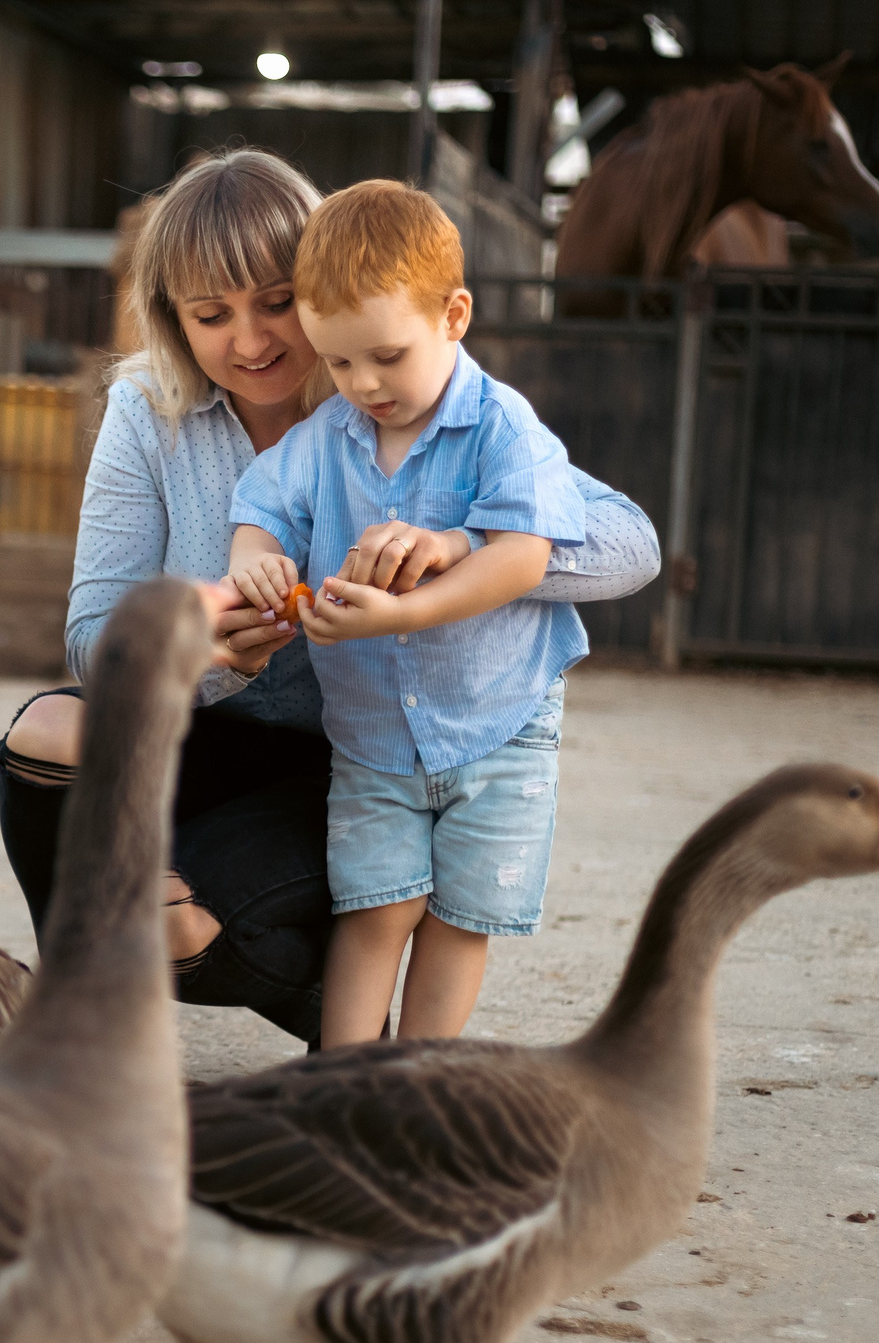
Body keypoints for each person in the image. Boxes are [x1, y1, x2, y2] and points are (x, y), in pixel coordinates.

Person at [0, 151, 659, 1045]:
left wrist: (456, 551)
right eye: (210, 314)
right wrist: (198, 644)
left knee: (175, 926)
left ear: (318, 286)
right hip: (205, 728)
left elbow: (630, 543)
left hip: (354, 751)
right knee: (48, 730)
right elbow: (90, 640)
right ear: (172, 319)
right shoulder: (144, 411)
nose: (252, 340)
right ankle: (75, 1018)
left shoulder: (399, 394)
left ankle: (354, 1045)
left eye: (274, 301)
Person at [229, 178, 581, 1048]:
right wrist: (259, 564)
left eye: (386, 355)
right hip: (373, 733)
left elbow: (524, 554)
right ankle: (342, 1084)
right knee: (376, 907)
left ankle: (417, 1084)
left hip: (499, 722)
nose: (363, 383)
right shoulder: (321, 441)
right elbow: (259, 514)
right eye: (339, 362)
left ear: (453, 316)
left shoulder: (504, 426)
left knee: (460, 918)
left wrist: (400, 616)